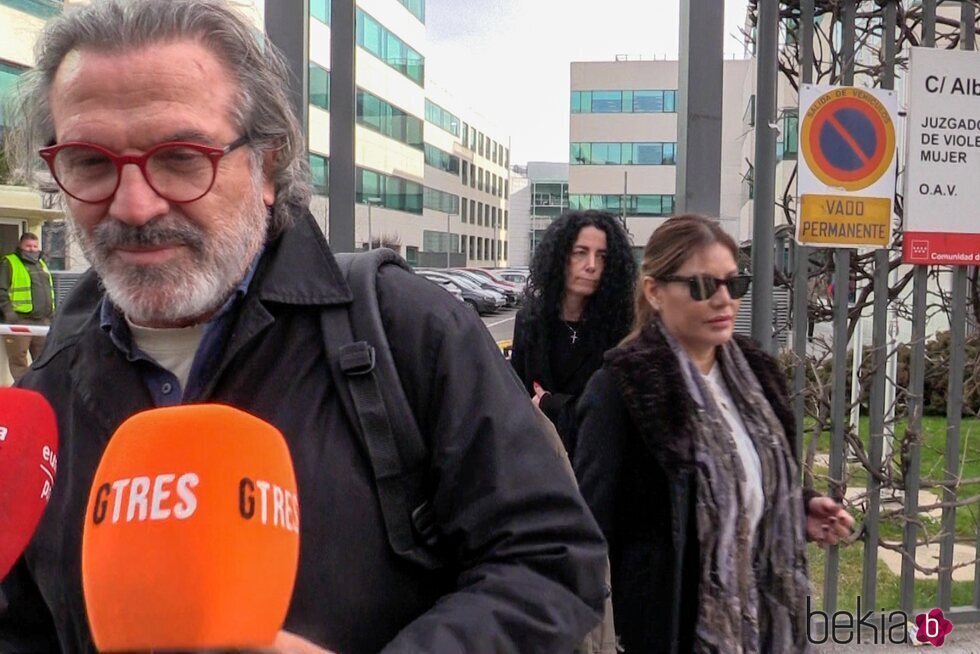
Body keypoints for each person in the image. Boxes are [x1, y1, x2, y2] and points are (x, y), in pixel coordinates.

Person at [0, 2, 608, 652]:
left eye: (180, 156)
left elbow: (552, 562)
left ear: (267, 165)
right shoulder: (44, 401)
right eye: (90, 163)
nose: (134, 204)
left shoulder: (406, 333)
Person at [573, 214, 854, 653]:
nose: (724, 300)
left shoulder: (758, 374)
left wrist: (798, 507)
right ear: (655, 291)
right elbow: (590, 530)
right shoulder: (621, 389)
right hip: (668, 631)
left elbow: (744, 482)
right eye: (704, 286)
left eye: (733, 284)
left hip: (768, 625)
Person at [510, 210, 634, 456]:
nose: (591, 266)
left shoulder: (623, 326)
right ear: (560, 257)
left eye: (602, 256)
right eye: (580, 253)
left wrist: (551, 404)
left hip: (596, 465)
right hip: (541, 462)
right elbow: (517, 400)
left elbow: (612, 415)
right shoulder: (530, 321)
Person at [0, 232, 55, 381]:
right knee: (19, 362)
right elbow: (1, 291)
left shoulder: (41, 263)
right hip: (19, 320)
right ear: (20, 246)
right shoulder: (9, 263)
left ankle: (41, 392)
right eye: (28, 246)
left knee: (44, 360)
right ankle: (23, 393)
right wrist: (9, 313)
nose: (32, 249)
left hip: (42, 321)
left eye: (35, 246)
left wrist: (52, 315)